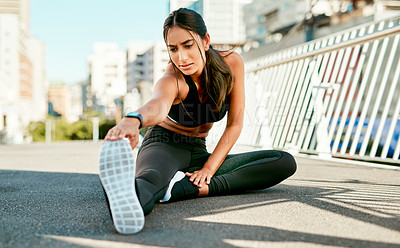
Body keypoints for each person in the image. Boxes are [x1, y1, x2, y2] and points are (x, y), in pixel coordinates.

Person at [99, 8, 297, 234]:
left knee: (282, 161)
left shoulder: (231, 63)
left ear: (205, 41)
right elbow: (158, 105)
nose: (181, 57)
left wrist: (208, 169)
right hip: (164, 144)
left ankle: (181, 188)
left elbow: (235, 124)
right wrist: (133, 119)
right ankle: (123, 192)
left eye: (188, 45)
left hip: (198, 151)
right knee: (148, 185)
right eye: (173, 49)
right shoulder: (172, 77)